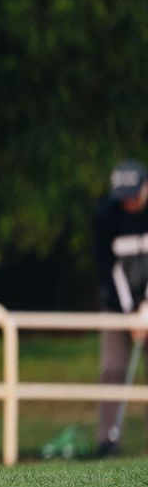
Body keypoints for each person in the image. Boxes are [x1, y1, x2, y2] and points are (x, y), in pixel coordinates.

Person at [92, 160, 148, 456]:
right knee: (112, 369)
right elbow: (107, 271)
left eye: (133, 195)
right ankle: (107, 441)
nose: (128, 203)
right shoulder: (105, 217)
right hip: (117, 307)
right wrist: (130, 313)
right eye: (123, 197)